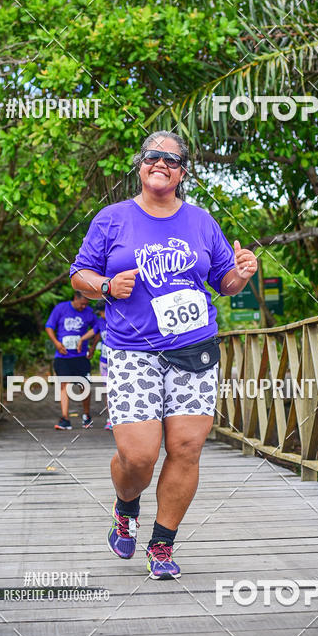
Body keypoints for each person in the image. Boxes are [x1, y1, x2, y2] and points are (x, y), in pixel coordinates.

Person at [70, 131, 258, 578]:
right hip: (132, 350)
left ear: (182, 172)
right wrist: (106, 287)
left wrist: (243, 274)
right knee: (139, 457)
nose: (162, 164)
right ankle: (125, 505)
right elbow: (79, 274)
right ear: (140, 165)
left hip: (193, 348)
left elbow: (223, 282)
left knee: (187, 448)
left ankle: (162, 545)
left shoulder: (200, 221)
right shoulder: (112, 218)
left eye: (172, 160)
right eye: (153, 156)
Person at [45, 290, 98, 430]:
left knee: (84, 386)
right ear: (75, 298)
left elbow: (98, 328)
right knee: (64, 385)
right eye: (81, 304)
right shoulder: (61, 308)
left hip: (81, 356)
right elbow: (49, 326)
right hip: (63, 356)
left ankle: (86, 416)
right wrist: (56, 343)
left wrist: (92, 348)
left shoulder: (89, 312)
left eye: (86, 304)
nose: (83, 307)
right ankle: (65, 418)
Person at [78, 300, 112, 429]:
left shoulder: (117, 318)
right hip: (104, 360)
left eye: (102, 312)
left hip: (118, 360)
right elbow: (93, 332)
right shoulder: (100, 321)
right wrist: (82, 339)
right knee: (107, 389)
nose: (101, 315)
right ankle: (110, 418)